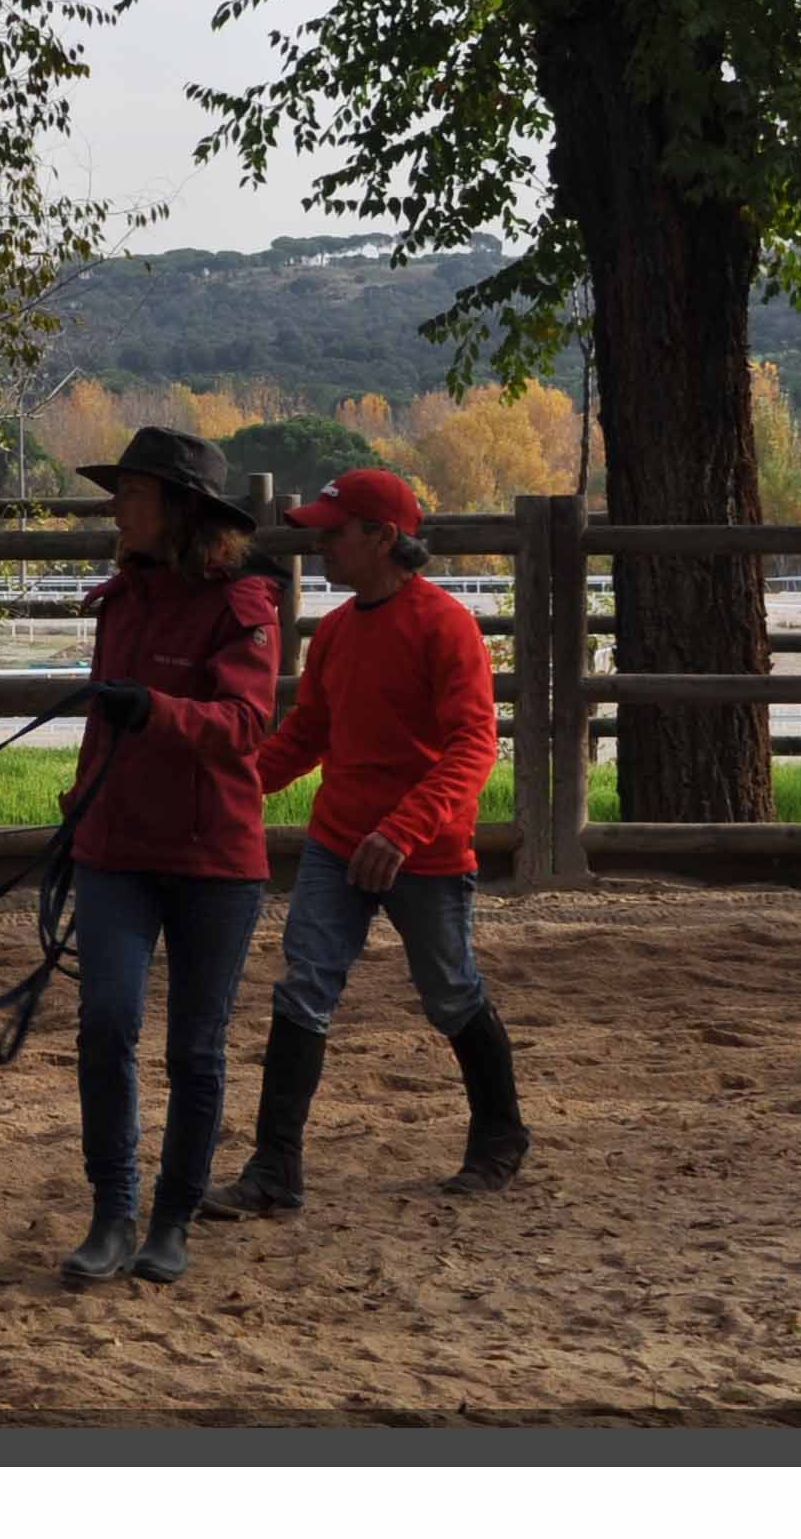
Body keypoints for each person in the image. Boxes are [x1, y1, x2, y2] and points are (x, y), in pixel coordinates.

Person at [210, 468, 531, 1215]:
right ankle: (275, 1170)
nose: (320, 543)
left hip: (424, 849)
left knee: (450, 993)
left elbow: (474, 746)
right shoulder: (338, 633)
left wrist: (403, 828)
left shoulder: (445, 625)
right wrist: (231, 787)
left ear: (384, 538)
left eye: (335, 530)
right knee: (304, 985)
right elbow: (309, 735)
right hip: (338, 840)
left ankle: (500, 1136)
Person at [54, 425, 284, 1286]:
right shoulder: (119, 602)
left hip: (213, 859)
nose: (119, 509)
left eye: (135, 495)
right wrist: (81, 805)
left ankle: (173, 1219)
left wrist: (157, 711)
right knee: (106, 1022)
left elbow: (244, 728)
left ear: (179, 510)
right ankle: (112, 1211)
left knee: (196, 1048)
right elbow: (101, 725)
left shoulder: (242, 609)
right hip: (114, 848)